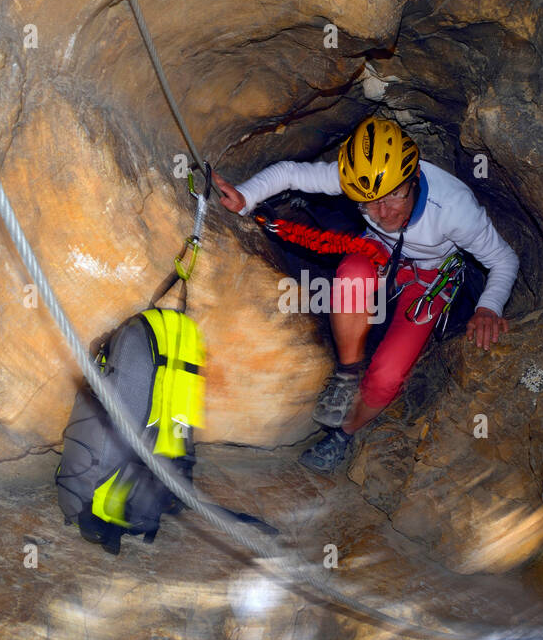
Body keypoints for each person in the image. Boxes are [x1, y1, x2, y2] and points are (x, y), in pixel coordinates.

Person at [212, 115, 519, 473]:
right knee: (351, 276)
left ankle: (344, 434)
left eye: (393, 198)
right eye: (368, 204)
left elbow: (503, 259)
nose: (383, 212)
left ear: (414, 177)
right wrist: (246, 195)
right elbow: (291, 173)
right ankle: (348, 373)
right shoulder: (360, 182)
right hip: (383, 251)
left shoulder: (455, 210)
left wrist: (488, 307)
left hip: (433, 276)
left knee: (389, 373)